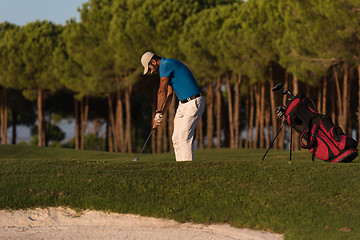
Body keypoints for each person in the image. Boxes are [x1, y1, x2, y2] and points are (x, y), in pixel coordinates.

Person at [141, 52, 205, 162]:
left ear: (153, 61)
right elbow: (169, 95)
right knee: (176, 138)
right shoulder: (167, 68)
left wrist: (157, 111)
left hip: (194, 102)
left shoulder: (166, 64)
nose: (151, 72)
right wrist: (160, 115)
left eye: (150, 68)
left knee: (184, 137)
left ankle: (187, 169)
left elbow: (162, 91)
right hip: (183, 105)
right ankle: (180, 166)